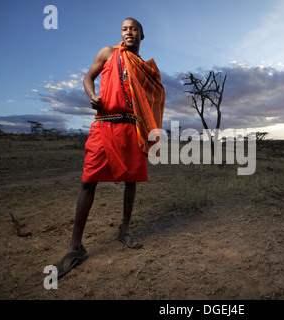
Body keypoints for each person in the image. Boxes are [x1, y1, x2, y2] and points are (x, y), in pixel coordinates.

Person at [56, 18, 165, 279]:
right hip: (104, 125)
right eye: (124, 29)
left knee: (132, 181)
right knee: (88, 181)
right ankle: (75, 247)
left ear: (142, 34)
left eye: (133, 28)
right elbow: (87, 77)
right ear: (121, 34)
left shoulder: (145, 67)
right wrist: (91, 95)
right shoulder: (108, 53)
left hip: (132, 128)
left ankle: (124, 230)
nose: (129, 32)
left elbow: (156, 96)